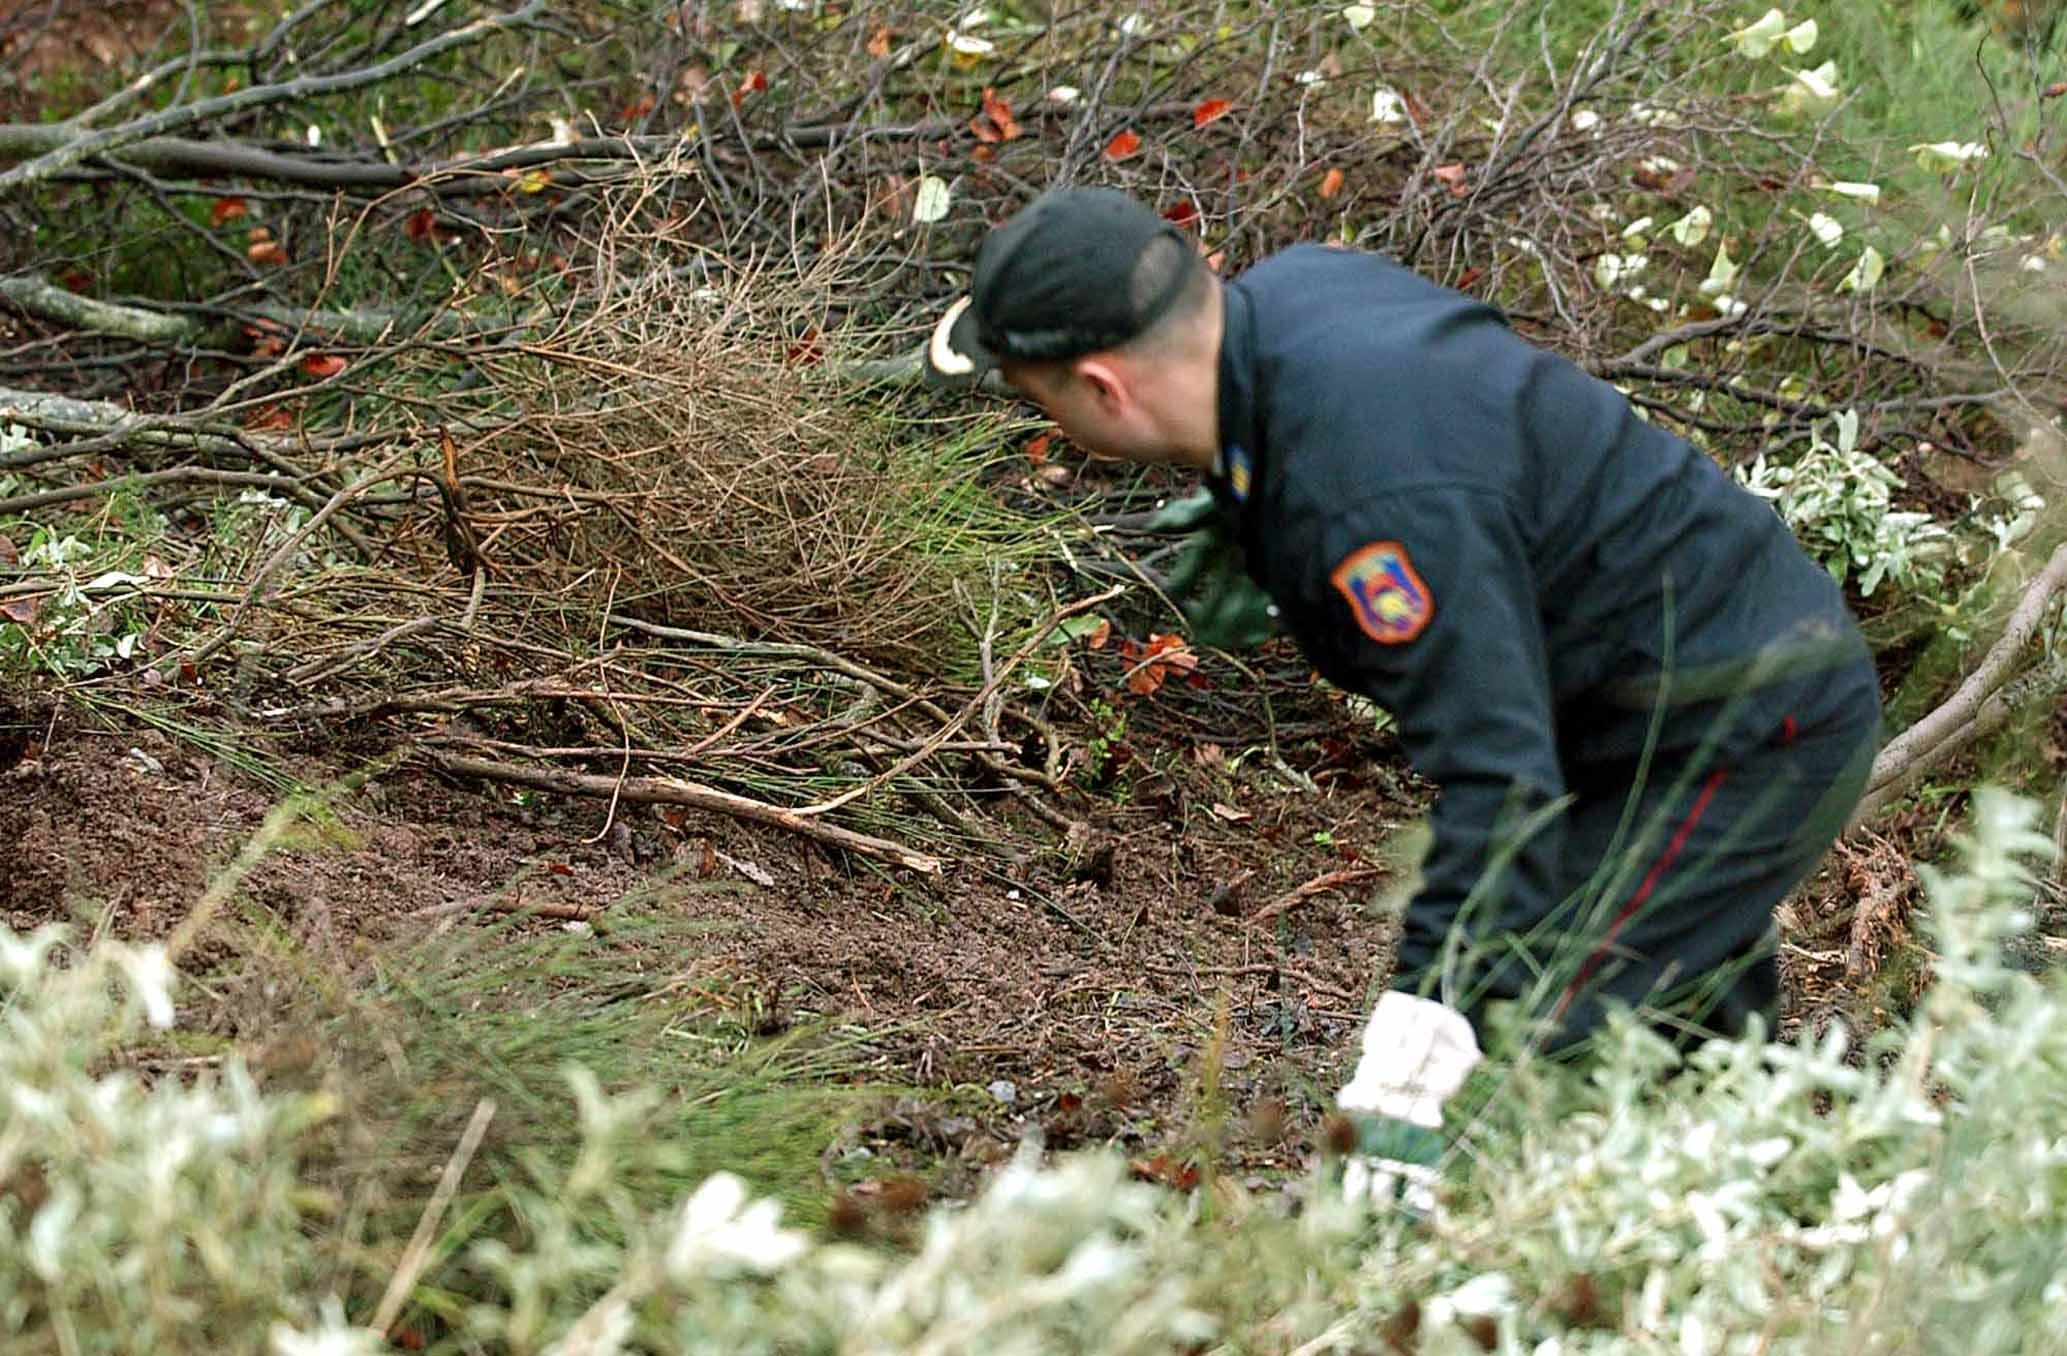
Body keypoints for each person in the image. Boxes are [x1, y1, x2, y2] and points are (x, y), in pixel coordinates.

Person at [922, 185, 1882, 1212]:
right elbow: (1472, 433)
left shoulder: (1370, 503)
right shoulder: (1300, 293)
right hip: (1643, 707)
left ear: (1105, 389)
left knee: (1525, 1053)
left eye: (1037, 398)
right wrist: (1257, 511)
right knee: (1690, 1077)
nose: (1046, 422)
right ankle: (1800, 1252)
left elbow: (1498, 787)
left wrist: (1412, 1063)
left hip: (1738, 726)